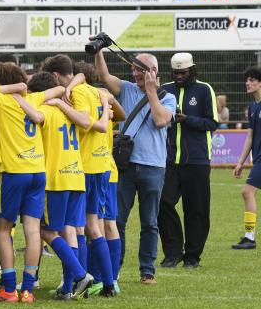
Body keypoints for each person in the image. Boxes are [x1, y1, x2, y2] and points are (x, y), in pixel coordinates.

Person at [94, 50, 176, 285]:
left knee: (149, 222)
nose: (135, 74)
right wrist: (99, 51)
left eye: (140, 70)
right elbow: (104, 76)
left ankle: (147, 271)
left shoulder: (167, 97)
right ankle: (114, 268)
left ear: (154, 72)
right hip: (125, 166)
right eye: (134, 69)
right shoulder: (127, 88)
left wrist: (151, 91)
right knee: (117, 220)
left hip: (153, 167)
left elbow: (161, 120)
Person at [0, 62, 64, 303]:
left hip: (13, 171)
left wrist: (5, 89)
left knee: (3, 228)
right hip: (37, 171)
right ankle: (28, 289)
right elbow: (59, 90)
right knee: (32, 230)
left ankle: (9, 288)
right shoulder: (35, 98)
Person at [15, 71, 95, 300]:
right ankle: (68, 288)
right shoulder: (69, 111)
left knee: (45, 231)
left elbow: (35, 123)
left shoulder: (46, 111)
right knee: (69, 230)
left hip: (55, 179)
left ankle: (80, 274)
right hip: (76, 176)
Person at [44, 55, 115, 297]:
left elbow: (88, 123)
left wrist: (62, 103)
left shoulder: (77, 94)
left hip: (86, 166)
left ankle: (80, 280)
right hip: (100, 163)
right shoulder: (93, 90)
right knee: (86, 227)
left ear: (55, 76)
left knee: (81, 228)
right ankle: (107, 283)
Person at [159, 53, 219, 268]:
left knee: (196, 209)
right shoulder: (165, 89)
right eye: (175, 72)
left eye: (183, 72)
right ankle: (173, 253)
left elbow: (212, 123)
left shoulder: (204, 90)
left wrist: (187, 120)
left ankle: (192, 256)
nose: (178, 76)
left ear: (192, 70)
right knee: (163, 202)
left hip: (197, 160)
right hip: (167, 158)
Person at [233, 66, 261, 250]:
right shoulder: (252, 108)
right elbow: (250, 137)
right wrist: (241, 162)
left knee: (247, 191)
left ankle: (250, 238)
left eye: (252, 80)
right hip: (257, 158)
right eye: (247, 79)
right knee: (248, 192)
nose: (247, 83)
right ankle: (249, 237)